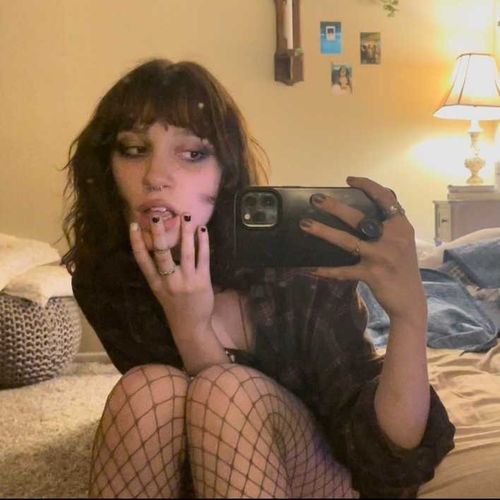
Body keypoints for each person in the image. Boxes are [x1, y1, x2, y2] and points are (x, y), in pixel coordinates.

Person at [62, 58, 455, 498]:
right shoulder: (108, 282)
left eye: (192, 154)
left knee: (226, 390)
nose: (155, 177)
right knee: (145, 390)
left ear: (225, 172)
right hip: (218, 469)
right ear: (108, 167)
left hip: (328, 472)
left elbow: (387, 455)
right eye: (134, 150)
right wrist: (188, 326)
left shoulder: (300, 273)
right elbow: (182, 436)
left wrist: (410, 314)